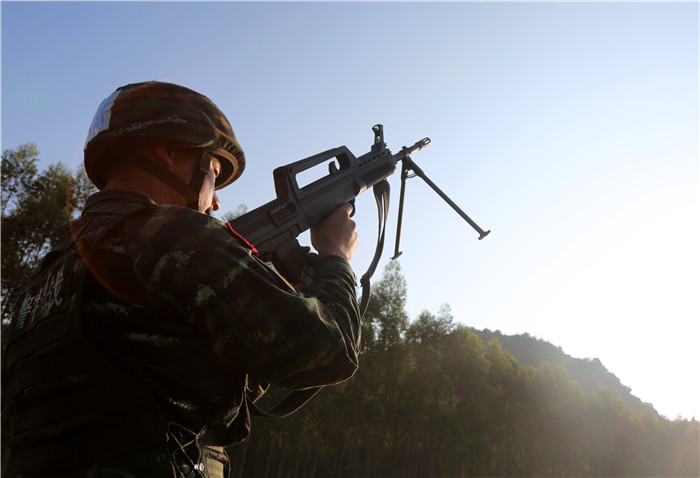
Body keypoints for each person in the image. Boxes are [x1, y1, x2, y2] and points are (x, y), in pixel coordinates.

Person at [2, 81, 361, 478]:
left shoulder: (48, 276)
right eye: (213, 170)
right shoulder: (177, 237)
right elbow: (327, 350)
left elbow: (173, 380)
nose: (217, 200)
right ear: (168, 152)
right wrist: (336, 259)